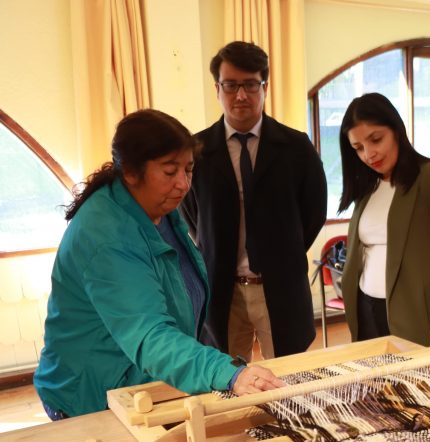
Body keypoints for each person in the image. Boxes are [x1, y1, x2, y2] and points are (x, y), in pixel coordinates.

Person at [33, 110, 284, 419]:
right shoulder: (108, 236)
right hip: (91, 395)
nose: (183, 184)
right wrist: (228, 373)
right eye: (169, 171)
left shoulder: (156, 208)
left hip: (137, 381)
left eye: (189, 169)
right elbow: (149, 334)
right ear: (131, 172)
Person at [181, 41, 327, 361]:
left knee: (289, 379)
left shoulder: (295, 147)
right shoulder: (198, 150)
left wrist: (283, 251)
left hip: (279, 287)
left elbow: (314, 212)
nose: (241, 95)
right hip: (223, 289)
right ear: (217, 89)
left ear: (265, 87)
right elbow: (191, 214)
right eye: (231, 85)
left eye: (251, 84)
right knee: (226, 382)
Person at [337, 92, 430, 348]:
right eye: (358, 148)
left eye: (376, 139)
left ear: (397, 130)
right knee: (378, 388)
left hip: (419, 320)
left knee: (428, 387)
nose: (369, 154)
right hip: (367, 313)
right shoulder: (367, 188)